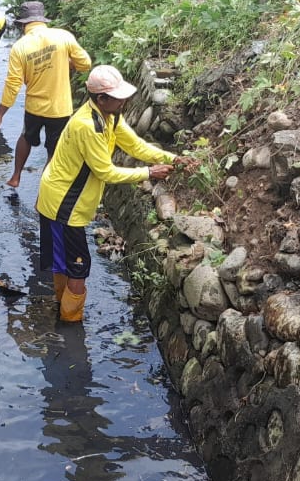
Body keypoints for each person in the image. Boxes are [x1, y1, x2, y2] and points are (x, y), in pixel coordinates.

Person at [35, 66, 194, 322]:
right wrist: (148, 173)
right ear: (101, 99)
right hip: (63, 205)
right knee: (78, 269)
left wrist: (174, 159)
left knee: (65, 263)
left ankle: (60, 310)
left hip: (62, 200)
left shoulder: (110, 117)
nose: (125, 101)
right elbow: (106, 172)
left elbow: (135, 145)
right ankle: (69, 324)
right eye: (118, 97)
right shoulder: (88, 126)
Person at [0, 1, 92, 188]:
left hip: (34, 108)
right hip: (60, 109)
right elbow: (85, 64)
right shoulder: (63, 36)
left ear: (23, 24)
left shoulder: (20, 47)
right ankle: (44, 191)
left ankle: (15, 177)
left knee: (26, 137)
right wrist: (68, 62)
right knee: (53, 152)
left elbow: (13, 85)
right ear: (43, 20)